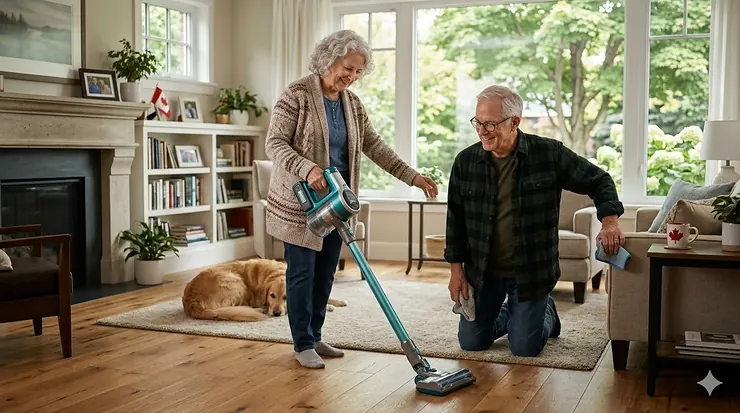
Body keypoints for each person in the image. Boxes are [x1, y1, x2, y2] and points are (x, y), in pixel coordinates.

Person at [264, 29, 439, 369]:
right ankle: (302, 344)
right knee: (302, 273)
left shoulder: (352, 103)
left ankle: (314, 336)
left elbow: (374, 146)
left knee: (327, 271)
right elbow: (274, 143)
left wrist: (412, 176)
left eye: (359, 71)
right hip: (301, 204)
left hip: (338, 202)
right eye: (348, 68)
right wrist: (307, 168)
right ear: (329, 59)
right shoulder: (296, 95)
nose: (353, 76)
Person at [444, 85, 625, 357]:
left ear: (514, 122)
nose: (482, 130)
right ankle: (517, 317)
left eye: (491, 123)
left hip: (530, 272)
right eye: (478, 122)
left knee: (525, 348)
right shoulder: (465, 162)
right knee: (472, 343)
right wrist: (456, 272)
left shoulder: (548, 154)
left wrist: (610, 222)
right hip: (483, 272)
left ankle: (545, 309)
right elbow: (455, 221)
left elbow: (599, 180)